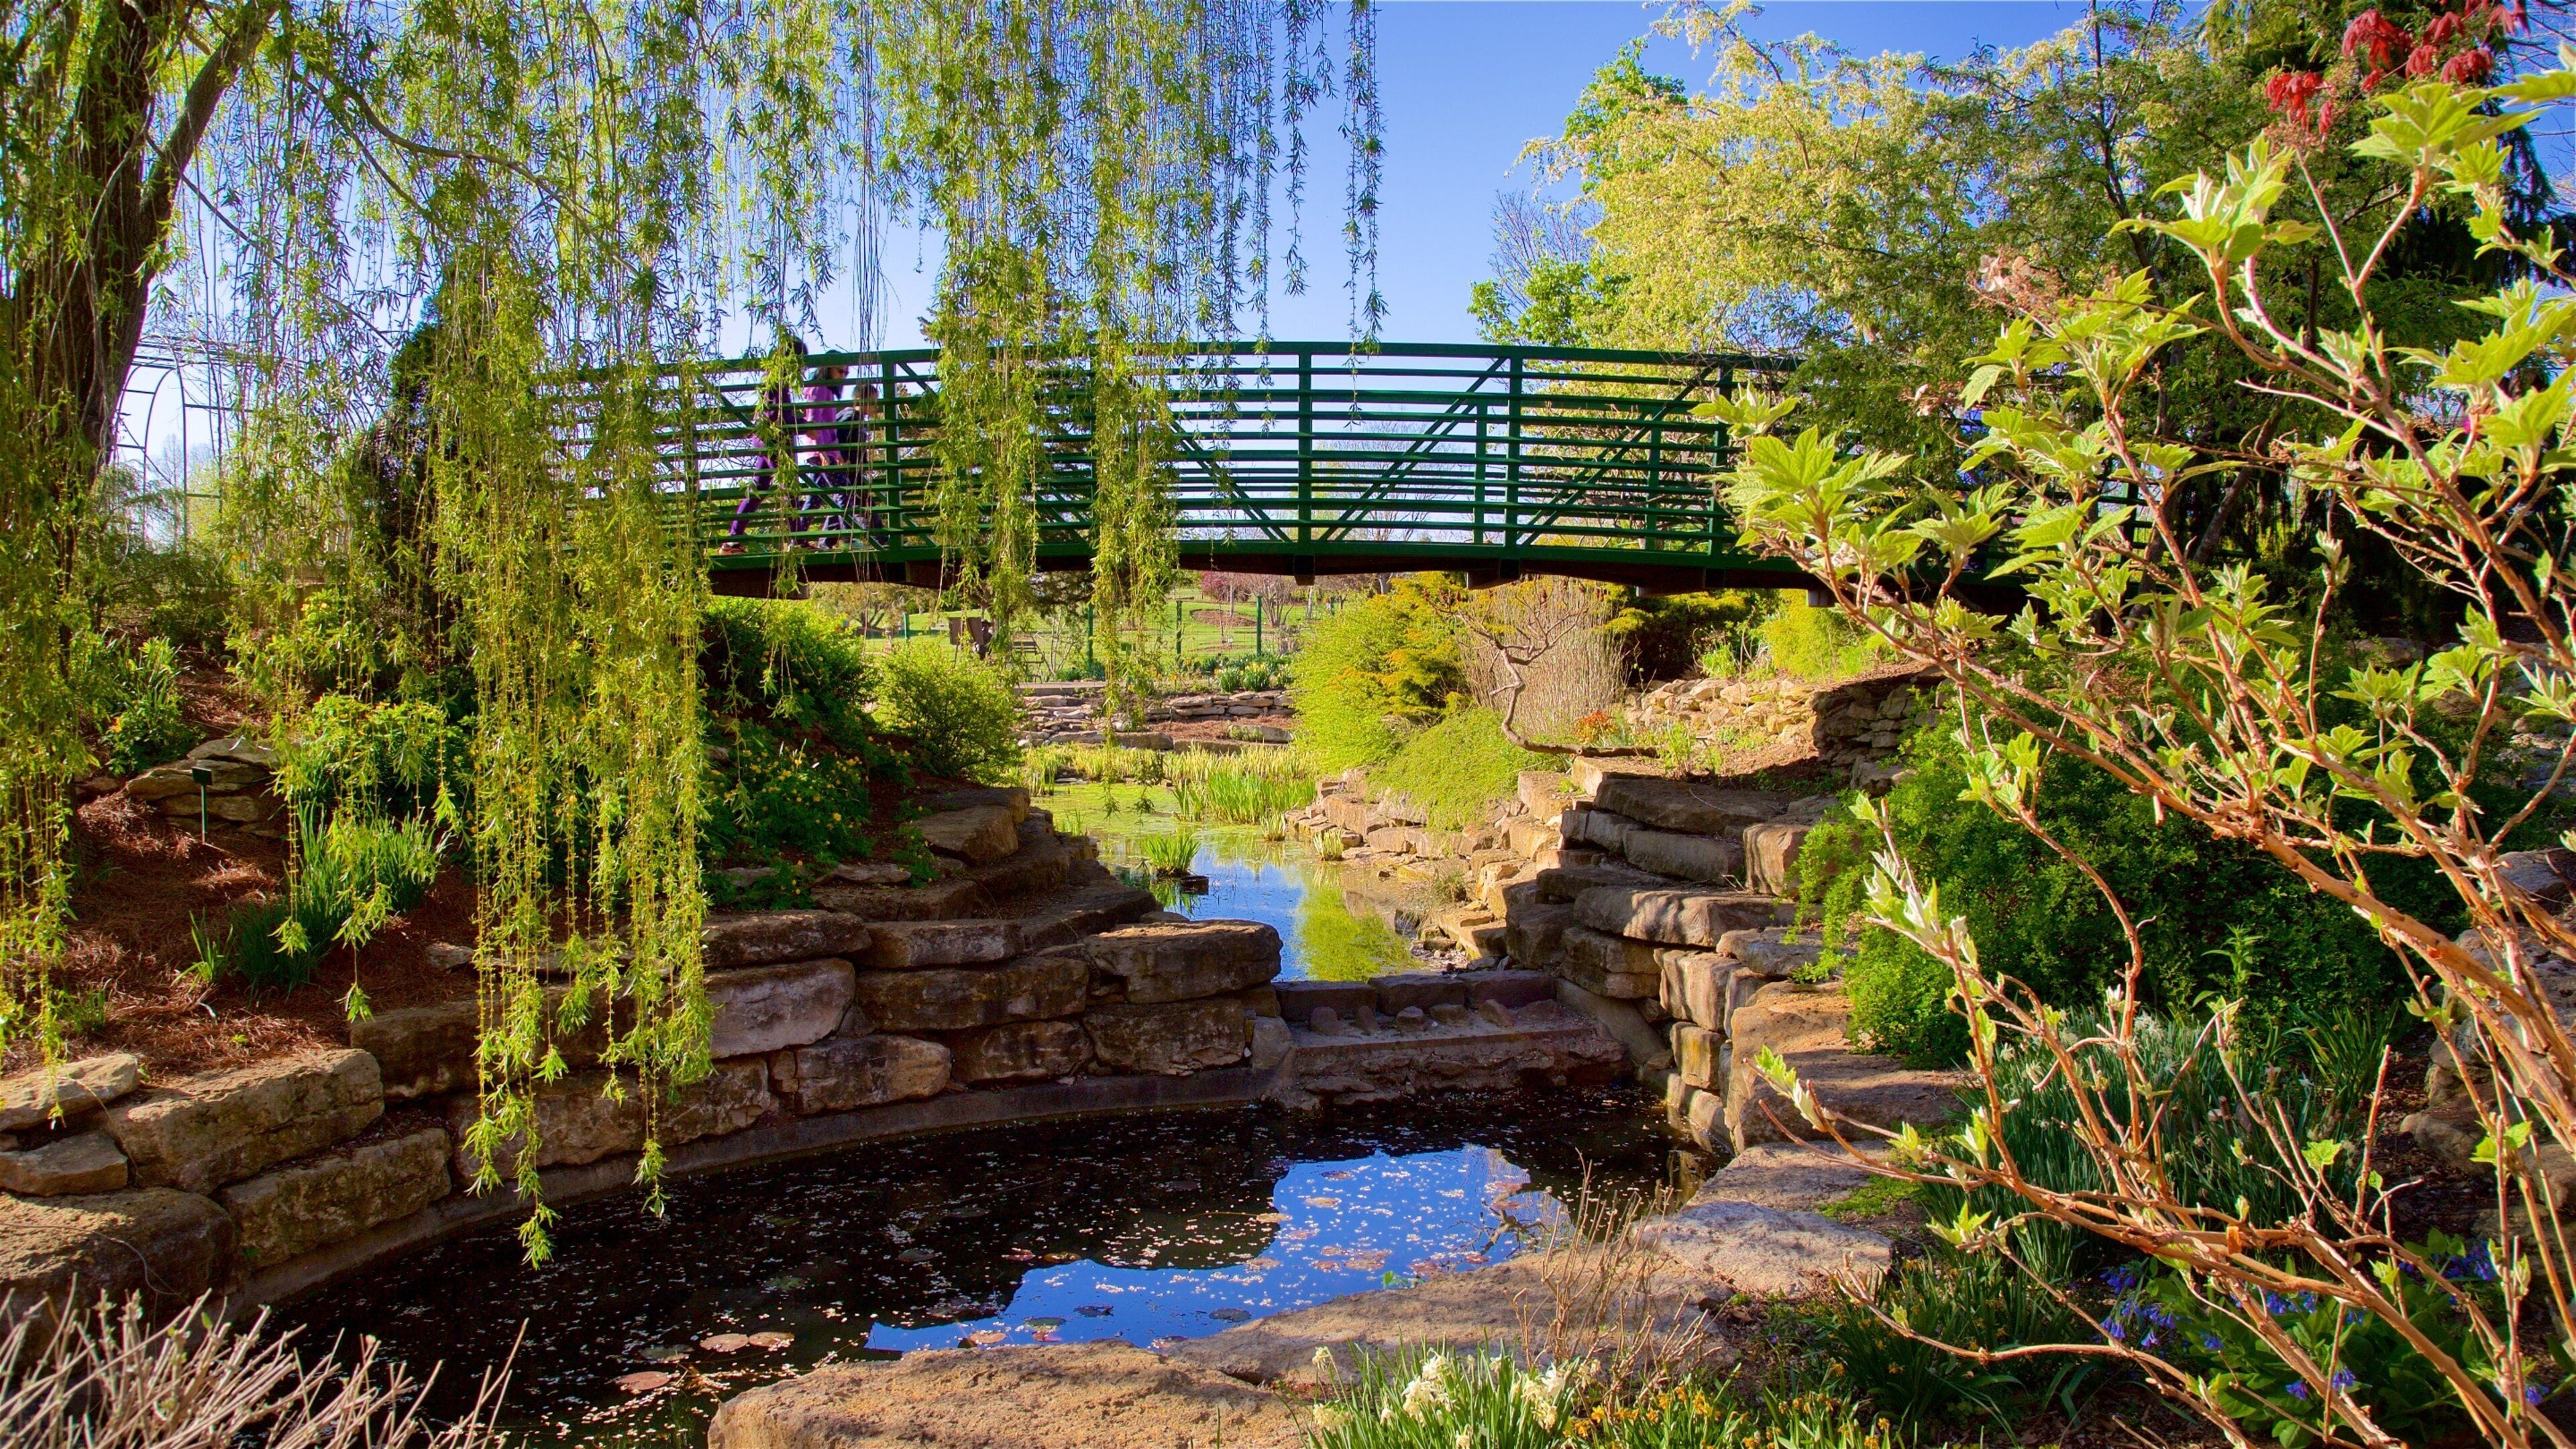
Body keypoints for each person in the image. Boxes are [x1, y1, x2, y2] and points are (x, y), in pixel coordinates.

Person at [718, 336, 808, 555]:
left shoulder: (773, 378)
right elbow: (780, 415)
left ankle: (732, 543)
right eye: (801, 362)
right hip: (773, 440)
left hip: (767, 438)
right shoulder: (778, 380)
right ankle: (797, 541)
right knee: (788, 486)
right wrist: (805, 426)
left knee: (759, 489)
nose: (803, 368)